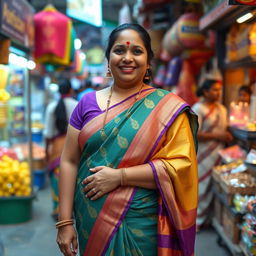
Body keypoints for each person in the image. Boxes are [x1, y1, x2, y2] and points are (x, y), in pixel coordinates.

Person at [56, 23, 198, 256]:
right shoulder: (86, 104)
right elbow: (69, 161)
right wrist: (64, 222)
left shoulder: (166, 108)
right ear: (108, 58)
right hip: (90, 221)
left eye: (137, 51)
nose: (127, 58)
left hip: (143, 224)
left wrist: (119, 177)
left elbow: (181, 168)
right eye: (119, 50)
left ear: (149, 61)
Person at [192, 79, 233, 231]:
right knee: (201, 187)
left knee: (214, 187)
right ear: (205, 91)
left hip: (219, 154)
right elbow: (194, 133)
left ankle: (208, 219)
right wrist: (218, 136)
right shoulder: (198, 108)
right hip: (203, 154)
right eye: (214, 90)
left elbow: (224, 129)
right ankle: (196, 222)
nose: (218, 93)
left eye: (219, 90)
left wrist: (227, 135)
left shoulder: (222, 109)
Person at [44, 79, 78, 220]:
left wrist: (47, 151)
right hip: (74, 145)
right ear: (71, 91)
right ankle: (71, 209)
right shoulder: (77, 105)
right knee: (74, 177)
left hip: (56, 147)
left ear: (58, 92)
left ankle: (57, 209)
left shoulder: (51, 107)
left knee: (56, 179)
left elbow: (48, 133)